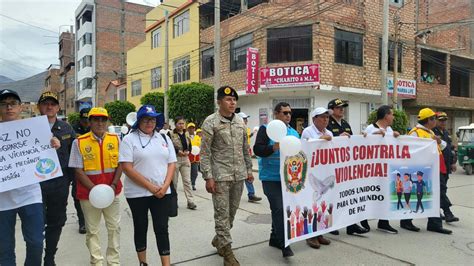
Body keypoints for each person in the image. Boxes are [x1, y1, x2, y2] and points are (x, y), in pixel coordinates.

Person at [0, 89, 60, 266]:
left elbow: (46, 150)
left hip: (30, 196)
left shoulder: (33, 129)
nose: (9, 107)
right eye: (4, 104)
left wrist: (53, 143)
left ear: (21, 108)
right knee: (4, 248)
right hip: (2, 200)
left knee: (35, 242)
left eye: (13, 104)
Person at [201, 86, 253, 266]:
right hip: (220, 176)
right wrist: (208, 176)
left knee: (231, 214)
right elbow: (205, 153)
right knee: (222, 215)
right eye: (228, 100)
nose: (232, 103)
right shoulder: (210, 122)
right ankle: (228, 254)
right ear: (219, 102)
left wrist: (249, 170)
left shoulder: (240, 121)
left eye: (234, 100)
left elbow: (245, 149)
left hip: (238, 175)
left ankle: (219, 239)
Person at [119, 105, 176, 266]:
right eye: (146, 119)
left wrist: (165, 186)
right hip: (137, 194)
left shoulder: (163, 138)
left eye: (152, 119)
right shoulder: (129, 139)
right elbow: (127, 168)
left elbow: (171, 163)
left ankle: (166, 263)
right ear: (139, 121)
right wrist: (151, 187)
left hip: (162, 192)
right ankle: (143, 262)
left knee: (162, 228)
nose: (150, 123)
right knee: (140, 226)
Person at [68, 107, 123, 265]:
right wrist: (95, 191)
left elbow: (121, 164)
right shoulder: (79, 142)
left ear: (107, 121)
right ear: (89, 121)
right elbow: (78, 170)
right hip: (88, 194)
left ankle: (113, 262)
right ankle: (96, 261)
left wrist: (112, 185)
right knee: (92, 230)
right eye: (96, 119)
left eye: (103, 119)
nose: (100, 123)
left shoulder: (115, 139)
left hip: (112, 192)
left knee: (114, 228)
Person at [37, 91, 76, 265]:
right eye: (45, 103)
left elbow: (75, 155)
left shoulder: (67, 128)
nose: (49, 106)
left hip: (59, 184)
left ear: (58, 107)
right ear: (39, 107)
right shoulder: (28, 129)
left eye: (53, 103)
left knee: (57, 221)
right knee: (36, 223)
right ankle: (35, 255)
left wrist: (74, 182)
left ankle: (50, 256)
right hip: (35, 185)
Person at [254, 102, 297, 257]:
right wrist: (274, 147)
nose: (288, 116)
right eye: (285, 113)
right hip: (270, 178)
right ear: (276, 114)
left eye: (290, 113)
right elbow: (257, 149)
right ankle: (285, 243)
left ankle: (274, 238)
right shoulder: (266, 130)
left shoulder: (293, 132)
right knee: (278, 208)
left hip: (288, 179)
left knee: (283, 208)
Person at [406, 107, 452, 234]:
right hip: (422, 170)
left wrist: (438, 141)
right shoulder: (415, 133)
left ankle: (434, 223)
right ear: (428, 120)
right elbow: (410, 152)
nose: (436, 121)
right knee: (417, 195)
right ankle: (406, 221)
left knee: (434, 195)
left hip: (435, 169)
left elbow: (443, 146)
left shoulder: (431, 133)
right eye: (434, 119)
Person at [326, 98, 369, 235]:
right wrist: (338, 137)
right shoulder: (326, 123)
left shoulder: (345, 123)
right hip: (331, 166)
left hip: (345, 166)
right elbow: (324, 142)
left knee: (347, 197)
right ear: (331, 110)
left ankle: (351, 226)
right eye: (339, 107)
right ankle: (331, 225)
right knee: (332, 197)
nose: (342, 110)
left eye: (343, 107)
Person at [300, 107, 333, 249]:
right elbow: (305, 148)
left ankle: (320, 233)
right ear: (314, 119)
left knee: (322, 205)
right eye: (322, 117)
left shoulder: (329, 132)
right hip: (311, 174)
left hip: (324, 172)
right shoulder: (308, 131)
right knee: (311, 204)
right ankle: (310, 236)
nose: (326, 119)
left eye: (327, 117)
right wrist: (320, 139)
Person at [363, 105, 399, 234]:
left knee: (386, 195)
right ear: (386, 116)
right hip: (372, 170)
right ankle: (364, 220)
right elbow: (363, 146)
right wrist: (374, 136)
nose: (393, 117)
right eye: (392, 114)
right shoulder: (371, 128)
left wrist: (395, 136)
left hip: (386, 170)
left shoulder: (389, 129)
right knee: (370, 195)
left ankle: (384, 222)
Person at [433, 112, 459, 223]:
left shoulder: (446, 133)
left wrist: (453, 163)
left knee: (441, 190)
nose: (443, 122)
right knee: (441, 189)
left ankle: (435, 211)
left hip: (446, 166)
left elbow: (452, 149)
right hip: (437, 166)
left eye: (445, 120)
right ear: (436, 121)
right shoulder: (433, 133)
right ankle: (448, 213)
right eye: (441, 120)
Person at [169, 117, 196, 210]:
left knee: (187, 182)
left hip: (185, 159)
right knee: (174, 182)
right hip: (175, 159)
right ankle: (174, 202)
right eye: (179, 123)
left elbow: (190, 145)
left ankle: (190, 201)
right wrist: (177, 151)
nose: (181, 125)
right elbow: (169, 146)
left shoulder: (187, 133)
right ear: (175, 124)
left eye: (183, 123)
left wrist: (188, 151)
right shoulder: (171, 134)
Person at [71, 108, 90, 234]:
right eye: (84, 120)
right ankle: (82, 221)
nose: (86, 122)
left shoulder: (94, 129)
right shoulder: (73, 129)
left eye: (88, 120)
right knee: (77, 195)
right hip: (76, 166)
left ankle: (90, 220)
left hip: (90, 166)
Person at [237, 112, 262, 203]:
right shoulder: (235, 130)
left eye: (246, 119)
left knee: (248, 174)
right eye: (244, 119)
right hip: (237, 157)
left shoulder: (246, 129)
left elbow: (247, 138)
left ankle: (251, 194)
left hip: (245, 154)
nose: (246, 120)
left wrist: (253, 133)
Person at [187, 123, 200, 191]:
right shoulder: (186, 136)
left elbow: (200, 145)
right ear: (188, 129)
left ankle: (193, 183)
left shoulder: (197, 137)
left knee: (195, 171)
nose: (191, 129)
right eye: (190, 128)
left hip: (196, 156)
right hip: (188, 156)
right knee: (187, 172)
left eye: (193, 128)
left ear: (194, 129)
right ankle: (188, 184)